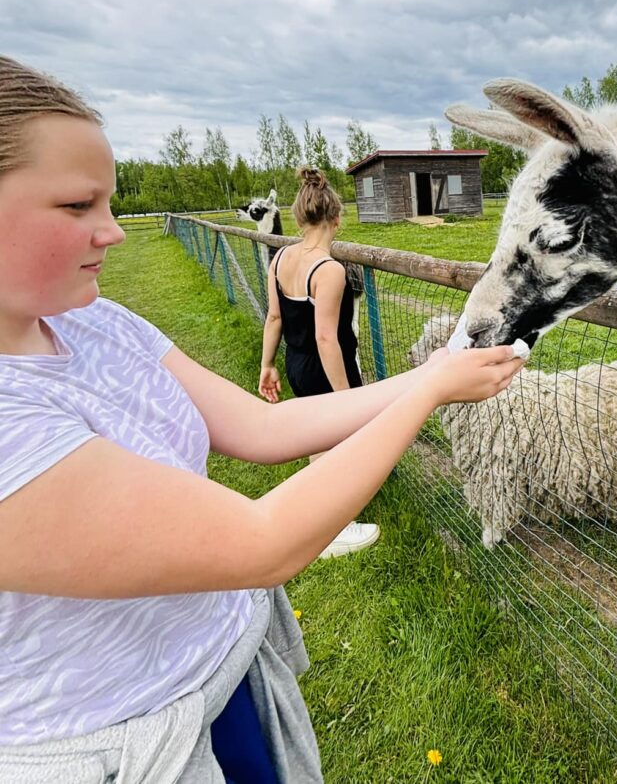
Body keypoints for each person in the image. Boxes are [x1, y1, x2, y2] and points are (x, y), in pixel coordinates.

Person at [0, 55, 524, 782]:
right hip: (127, 744)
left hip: (223, 675)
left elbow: (264, 429)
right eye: (76, 206)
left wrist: (430, 373)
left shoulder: (96, 322)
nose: (113, 232)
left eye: (111, 204)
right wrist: (425, 396)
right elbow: (264, 540)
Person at [258, 166, 376, 559]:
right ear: (337, 218)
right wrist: (346, 396)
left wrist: (267, 365)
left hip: (295, 362)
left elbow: (274, 317)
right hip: (325, 368)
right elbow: (328, 338)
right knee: (335, 443)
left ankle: (320, 514)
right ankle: (334, 528)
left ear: (299, 217)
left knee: (316, 438)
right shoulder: (329, 271)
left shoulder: (280, 261)